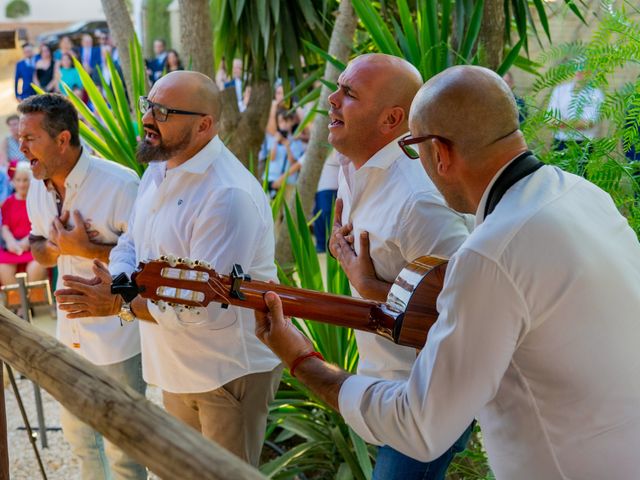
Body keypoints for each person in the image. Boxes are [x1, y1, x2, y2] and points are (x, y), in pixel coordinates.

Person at [255, 65, 640, 479]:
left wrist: (299, 357)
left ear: (438, 152)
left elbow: (422, 426)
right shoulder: (583, 194)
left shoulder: (489, 255)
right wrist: (369, 286)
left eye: (413, 148)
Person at [55, 71, 283, 467]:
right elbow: (131, 242)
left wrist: (118, 305)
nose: (147, 118)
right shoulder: (159, 169)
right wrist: (119, 284)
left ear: (204, 125)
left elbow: (201, 307)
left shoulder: (227, 195)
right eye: (148, 105)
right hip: (175, 368)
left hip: (226, 373)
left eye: (162, 111)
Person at [325, 53, 473, 480]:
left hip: (426, 398)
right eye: (339, 86)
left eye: (349, 93)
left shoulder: (419, 200)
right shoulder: (355, 167)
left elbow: (466, 311)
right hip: (384, 382)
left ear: (391, 119)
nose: (333, 99)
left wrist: (372, 287)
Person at [20, 94, 146, 480]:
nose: (22, 147)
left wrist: (89, 249)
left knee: (125, 450)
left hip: (117, 338)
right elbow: (38, 247)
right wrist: (60, 247)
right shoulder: (38, 187)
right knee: (81, 445)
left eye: (30, 138)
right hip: (67, 338)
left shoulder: (122, 184)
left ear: (62, 140)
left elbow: (147, 262)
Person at [0, 162, 47, 286]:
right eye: (18, 180)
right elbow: (5, 227)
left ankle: (33, 303)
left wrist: (27, 241)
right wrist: (11, 242)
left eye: (25, 180)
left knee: (36, 267)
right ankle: (17, 303)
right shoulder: (8, 203)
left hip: (33, 246)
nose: (21, 184)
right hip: (12, 248)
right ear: (13, 181)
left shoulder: (37, 201)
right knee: (3, 268)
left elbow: (40, 224)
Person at [547, 69, 604, 151]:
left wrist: (562, 122)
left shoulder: (596, 93)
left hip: (584, 145)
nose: (579, 72)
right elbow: (550, 119)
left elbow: (589, 123)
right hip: (559, 143)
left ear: (590, 72)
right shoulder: (559, 90)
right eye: (577, 69)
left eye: (584, 69)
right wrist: (577, 122)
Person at [261, 109, 305, 198]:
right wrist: (276, 142)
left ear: (292, 122)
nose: (284, 124)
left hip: (288, 182)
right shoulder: (273, 138)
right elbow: (271, 158)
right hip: (271, 180)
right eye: (281, 121)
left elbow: (293, 163)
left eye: (287, 121)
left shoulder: (296, 142)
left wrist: (288, 146)